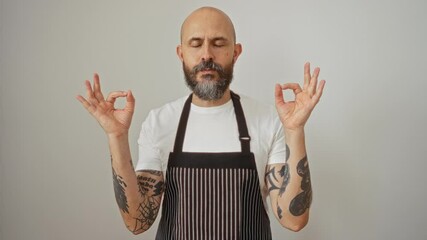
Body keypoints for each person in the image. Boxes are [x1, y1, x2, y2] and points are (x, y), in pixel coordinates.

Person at [76, 6, 325, 239]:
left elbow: (294, 221)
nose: (207, 55)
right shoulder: (160, 122)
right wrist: (117, 137)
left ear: (235, 53)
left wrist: (294, 130)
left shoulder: (267, 120)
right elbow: (137, 222)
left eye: (218, 43)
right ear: (181, 53)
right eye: (196, 44)